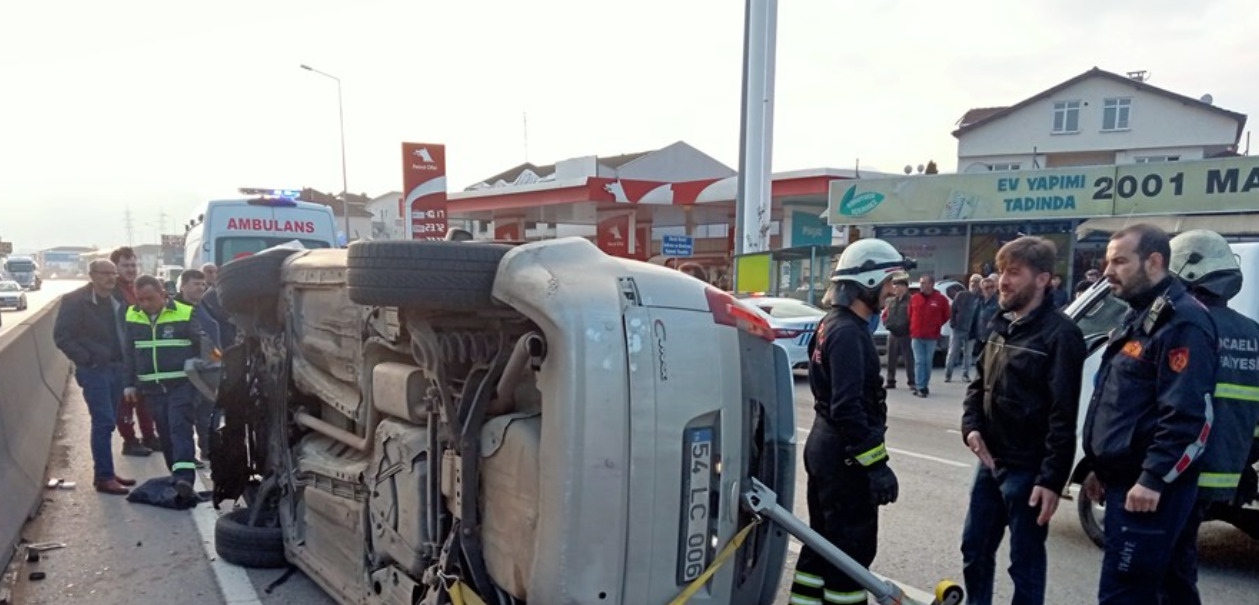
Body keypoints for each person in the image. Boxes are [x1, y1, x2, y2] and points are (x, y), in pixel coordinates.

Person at [1080, 224, 1216, 605]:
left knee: (1125, 594)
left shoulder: (1183, 322)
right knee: (1171, 590)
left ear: (1154, 261)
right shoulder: (1142, 315)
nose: (1108, 272)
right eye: (1108, 261)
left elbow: (1188, 413)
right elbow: (1124, 404)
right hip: (1126, 481)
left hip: (1149, 493)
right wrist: (1099, 466)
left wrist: (1153, 477)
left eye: (1120, 261)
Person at [960, 237, 1086, 605]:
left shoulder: (1061, 336)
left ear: (1043, 279)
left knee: (1025, 565)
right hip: (990, 463)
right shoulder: (1000, 324)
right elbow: (978, 385)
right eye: (1001, 272)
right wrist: (971, 428)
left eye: (1014, 273)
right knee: (974, 550)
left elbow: (1064, 415)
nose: (1003, 281)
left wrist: (1051, 479)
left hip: (1029, 472)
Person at [790, 238, 911, 605]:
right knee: (850, 554)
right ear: (869, 282)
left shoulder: (834, 324)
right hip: (844, 457)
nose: (894, 291)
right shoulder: (847, 333)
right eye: (890, 281)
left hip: (828, 448)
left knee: (822, 544)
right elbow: (847, 408)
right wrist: (876, 466)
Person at [1162, 230, 1259, 605]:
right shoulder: (1252, 333)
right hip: (1223, 472)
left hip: (1176, 472)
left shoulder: (1189, 326)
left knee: (1164, 572)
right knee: (1179, 567)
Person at [52, 260, 138, 495]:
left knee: (109, 421)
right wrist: (87, 358)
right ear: (92, 275)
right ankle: (104, 477)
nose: (111, 277)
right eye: (105, 273)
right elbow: (62, 336)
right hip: (94, 370)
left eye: (113, 273)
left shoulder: (118, 300)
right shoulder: (75, 301)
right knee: (103, 422)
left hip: (117, 368)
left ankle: (105, 470)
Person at [122, 275, 202, 498]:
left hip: (180, 385)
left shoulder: (184, 313)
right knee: (165, 433)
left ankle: (185, 479)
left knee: (180, 429)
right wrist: (128, 384)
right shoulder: (132, 316)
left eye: (150, 298)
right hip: (152, 389)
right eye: (141, 300)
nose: (145, 304)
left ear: (163, 295)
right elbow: (129, 353)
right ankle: (175, 475)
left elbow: (202, 345)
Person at [110, 246, 160, 457]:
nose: (130, 269)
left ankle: (149, 436)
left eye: (133, 265)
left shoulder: (135, 288)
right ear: (115, 267)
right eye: (125, 265)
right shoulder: (112, 293)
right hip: (121, 355)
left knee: (144, 399)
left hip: (141, 353)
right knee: (126, 402)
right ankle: (129, 440)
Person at [175, 269, 216, 467]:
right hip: (185, 371)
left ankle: (208, 451)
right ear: (183, 286)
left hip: (206, 368)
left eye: (203, 284)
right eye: (195, 284)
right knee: (186, 416)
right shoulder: (175, 308)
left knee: (207, 413)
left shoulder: (205, 306)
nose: (201, 288)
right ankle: (186, 456)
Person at [909, 274, 949, 397]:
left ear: (931, 284)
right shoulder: (914, 298)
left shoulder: (940, 299)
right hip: (916, 335)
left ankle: (924, 385)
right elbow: (910, 314)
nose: (922, 286)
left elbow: (946, 315)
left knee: (927, 361)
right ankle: (920, 386)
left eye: (924, 283)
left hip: (931, 336)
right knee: (919, 361)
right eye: (921, 283)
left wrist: (935, 325)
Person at [945, 274, 982, 383]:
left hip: (972, 331)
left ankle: (965, 375)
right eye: (972, 281)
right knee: (952, 353)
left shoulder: (981, 298)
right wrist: (953, 323)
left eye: (976, 282)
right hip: (958, 328)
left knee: (968, 355)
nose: (973, 284)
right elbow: (953, 309)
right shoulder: (961, 295)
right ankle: (948, 374)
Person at [881, 278, 916, 391]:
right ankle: (890, 381)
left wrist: (909, 327)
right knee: (891, 359)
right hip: (893, 333)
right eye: (895, 286)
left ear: (905, 287)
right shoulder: (891, 301)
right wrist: (887, 323)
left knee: (908, 359)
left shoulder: (911, 300)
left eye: (899, 286)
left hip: (906, 333)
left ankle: (912, 381)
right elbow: (885, 314)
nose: (897, 289)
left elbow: (913, 316)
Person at [972, 277, 1000, 360]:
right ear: (982, 289)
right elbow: (974, 317)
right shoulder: (978, 301)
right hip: (980, 336)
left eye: (992, 287)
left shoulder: (998, 301)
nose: (990, 290)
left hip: (993, 337)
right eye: (987, 288)